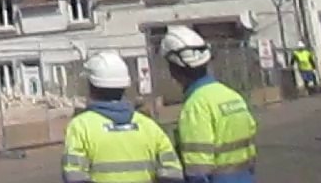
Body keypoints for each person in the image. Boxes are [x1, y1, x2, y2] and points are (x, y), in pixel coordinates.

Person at [62, 50, 184, 183]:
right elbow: (172, 173)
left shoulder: (80, 126)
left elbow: (74, 176)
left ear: (90, 85)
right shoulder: (148, 126)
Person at [158, 25, 257, 183]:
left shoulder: (195, 106)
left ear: (174, 70)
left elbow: (198, 170)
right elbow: (250, 148)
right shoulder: (232, 96)